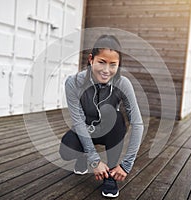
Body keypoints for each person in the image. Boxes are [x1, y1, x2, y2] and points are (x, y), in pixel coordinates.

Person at [59, 35, 144, 198]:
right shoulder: (73, 83)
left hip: (109, 130)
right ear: (91, 59)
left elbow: (138, 124)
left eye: (113, 64)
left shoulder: (123, 84)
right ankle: (83, 156)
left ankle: (111, 175)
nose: (106, 70)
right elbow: (78, 122)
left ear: (119, 65)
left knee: (118, 120)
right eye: (101, 62)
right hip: (85, 127)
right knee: (66, 150)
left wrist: (126, 165)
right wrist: (94, 160)